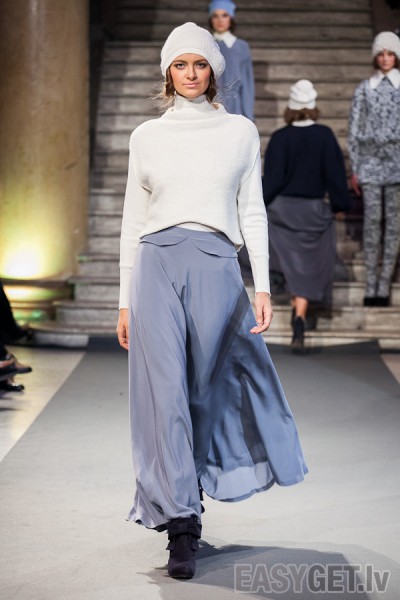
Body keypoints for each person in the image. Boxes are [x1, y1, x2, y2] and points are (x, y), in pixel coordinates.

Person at [116, 23, 308, 579]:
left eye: (200, 64)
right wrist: (124, 300)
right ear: (167, 72)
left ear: (214, 72)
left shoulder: (240, 131)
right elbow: (132, 220)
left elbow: (253, 211)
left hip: (217, 264)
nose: (191, 73)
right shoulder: (146, 136)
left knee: (204, 392)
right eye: (180, 64)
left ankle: (190, 487)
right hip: (155, 264)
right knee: (165, 394)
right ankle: (182, 523)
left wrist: (263, 285)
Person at [263, 80, 351, 353]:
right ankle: (300, 316)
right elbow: (335, 174)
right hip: (312, 212)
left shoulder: (280, 137)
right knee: (309, 266)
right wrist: (339, 204)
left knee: (289, 260)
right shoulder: (324, 135)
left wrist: (258, 205)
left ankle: (294, 308)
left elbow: (272, 180)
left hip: (282, 212)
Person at [348, 31, 400, 307]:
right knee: (372, 224)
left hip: (397, 165)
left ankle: (384, 284)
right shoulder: (365, 88)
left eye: (390, 53)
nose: (386, 58)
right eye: (381, 54)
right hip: (369, 165)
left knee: (393, 226)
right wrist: (356, 167)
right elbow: (354, 130)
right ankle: (370, 285)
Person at [208, 0, 255, 120]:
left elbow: (247, 81)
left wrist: (248, 113)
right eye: (215, 16)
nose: (220, 20)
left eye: (224, 15)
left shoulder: (241, 46)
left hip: (235, 106)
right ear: (211, 19)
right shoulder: (207, 44)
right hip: (209, 103)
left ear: (231, 18)